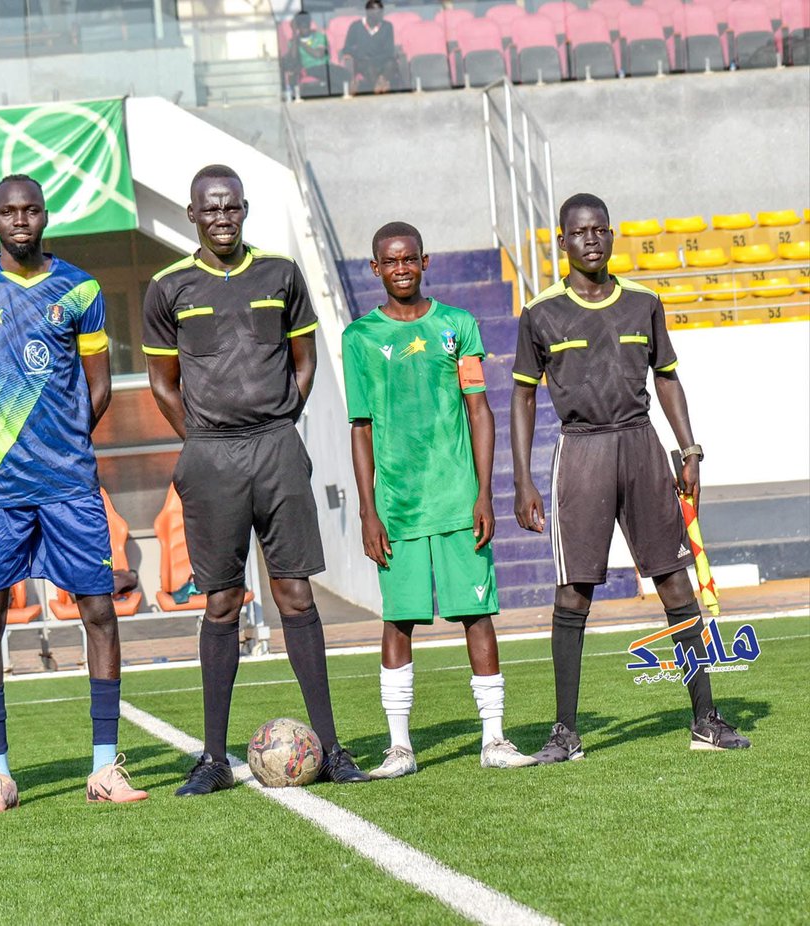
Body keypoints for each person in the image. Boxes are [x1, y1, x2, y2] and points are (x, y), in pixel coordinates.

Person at [143, 164, 369, 795]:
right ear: (192, 215)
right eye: (209, 209)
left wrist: (277, 425)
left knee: (295, 594)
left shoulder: (281, 276)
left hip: (275, 447)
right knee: (221, 602)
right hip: (210, 456)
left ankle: (329, 748)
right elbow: (163, 382)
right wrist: (204, 439)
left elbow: (305, 363)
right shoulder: (168, 288)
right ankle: (212, 759)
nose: (222, 218)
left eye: (231, 208)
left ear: (243, 210)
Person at [511, 192, 752, 762]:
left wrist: (688, 448)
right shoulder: (540, 313)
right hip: (583, 452)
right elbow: (521, 397)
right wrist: (523, 480)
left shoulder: (644, 302)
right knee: (574, 591)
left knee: (675, 581)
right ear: (562, 242)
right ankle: (565, 733)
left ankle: (705, 720)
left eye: (599, 229)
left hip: (642, 445)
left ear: (611, 235)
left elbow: (667, 379)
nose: (590, 239)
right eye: (579, 232)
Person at [0, 174, 148, 811]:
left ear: (45, 215)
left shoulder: (80, 287)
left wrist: (64, 443)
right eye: (8, 211)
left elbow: (99, 384)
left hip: (70, 484)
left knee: (99, 612)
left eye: (30, 209)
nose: (20, 219)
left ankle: (105, 768)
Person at [343, 222, 535, 778]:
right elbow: (360, 426)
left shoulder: (458, 326)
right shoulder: (359, 338)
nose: (400, 268)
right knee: (397, 621)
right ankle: (399, 747)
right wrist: (368, 509)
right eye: (389, 261)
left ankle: (494, 739)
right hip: (398, 506)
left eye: (409, 259)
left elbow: (479, 409)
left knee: (476, 614)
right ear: (375, 269)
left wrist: (484, 493)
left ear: (424, 262)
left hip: (456, 499)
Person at [342, 0, 399, 94]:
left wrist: (375, 58)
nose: (380, 14)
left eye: (381, 11)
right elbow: (347, 48)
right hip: (364, 61)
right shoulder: (356, 26)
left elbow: (389, 50)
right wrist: (359, 54)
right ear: (368, 12)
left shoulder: (387, 26)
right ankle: (379, 87)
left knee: (391, 64)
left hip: (382, 61)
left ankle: (381, 82)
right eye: (376, 11)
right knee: (369, 66)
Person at [284, 11, 333, 96]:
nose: (305, 28)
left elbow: (318, 54)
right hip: (309, 70)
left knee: (343, 75)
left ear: (310, 24)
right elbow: (293, 58)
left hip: (326, 68)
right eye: (302, 26)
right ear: (298, 27)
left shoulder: (319, 36)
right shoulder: (294, 43)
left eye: (307, 25)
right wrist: (295, 34)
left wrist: (301, 43)